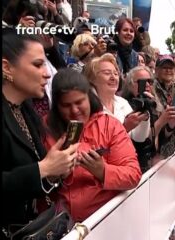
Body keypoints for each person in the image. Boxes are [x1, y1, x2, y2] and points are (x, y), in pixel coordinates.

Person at [2, 33, 78, 240]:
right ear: (6, 67)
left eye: (45, 63)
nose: (47, 73)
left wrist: (56, 170)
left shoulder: (27, 110)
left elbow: (35, 173)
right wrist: (43, 169)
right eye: (37, 64)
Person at [44, 69, 142, 222]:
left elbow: (133, 175)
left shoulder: (110, 125)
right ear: (56, 106)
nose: (74, 111)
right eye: (66, 105)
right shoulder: (46, 128)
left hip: (103, 222)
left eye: (79, 102)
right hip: (60, 227)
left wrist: (102, 171)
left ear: (89, 98)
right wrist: (54, 173)